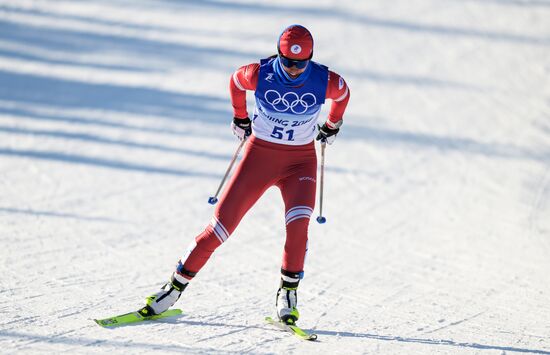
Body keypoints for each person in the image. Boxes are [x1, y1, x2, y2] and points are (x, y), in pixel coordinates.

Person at [139, 24, 350, 325]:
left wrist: (333, 124)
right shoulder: (258, 73)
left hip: (300, 163)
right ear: (278, 54)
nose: (292, 69)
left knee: (298, 227)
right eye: (287, 62)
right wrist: (239, 116)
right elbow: (235, 82)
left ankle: (287, 294)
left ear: (310, 59)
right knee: (219, 228)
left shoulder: (325, 80)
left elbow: (343, 95)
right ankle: (171, 290)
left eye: (300, 63)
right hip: (258, 157)